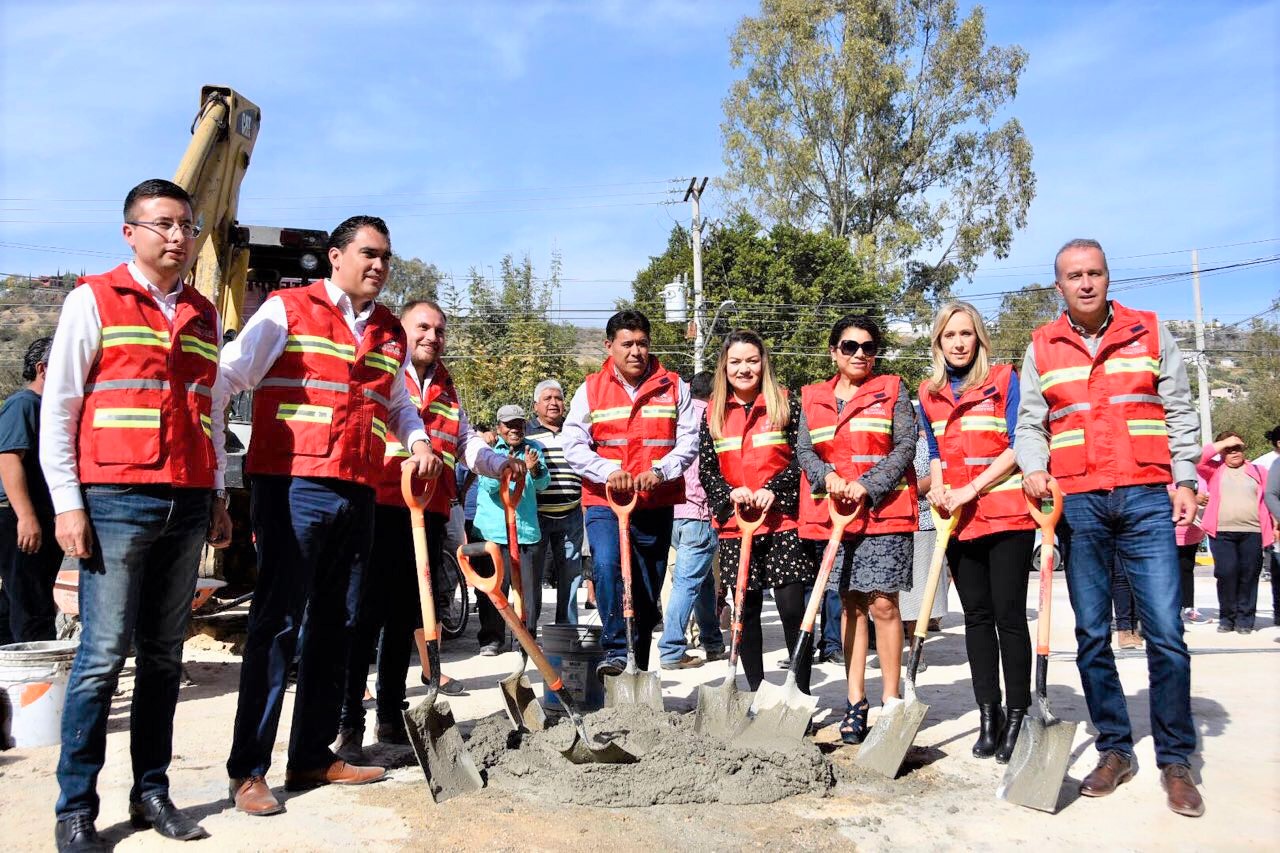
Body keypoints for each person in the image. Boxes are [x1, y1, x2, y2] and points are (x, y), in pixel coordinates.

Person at [217, 216, 452, 817]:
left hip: (357, 491)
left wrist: (419, 440)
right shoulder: (284, 311)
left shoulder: (387, 332)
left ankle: (312, 756)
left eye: (386, 258)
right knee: (278, 624)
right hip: (291, 484)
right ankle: (249, 770)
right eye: (368, 254)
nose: (378, 266)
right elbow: (225, 379)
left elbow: (396, 401)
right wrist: (218, 476)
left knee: (339, 625)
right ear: (336, 257)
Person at [41, 179, 233, 849]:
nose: (178, 236)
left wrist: (216, 494)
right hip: (114, 500)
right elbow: (60, 405)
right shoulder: (93, 299)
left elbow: (210, 409)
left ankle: (152, 790)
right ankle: (76, 807)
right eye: (162, 224)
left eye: (186, 225)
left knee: (161, 656)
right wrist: (68, 503)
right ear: (131, 232)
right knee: (99, 657)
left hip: (186, 501)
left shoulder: (205, 313)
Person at [1016, 238, 1204, 817]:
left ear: (1107, 276)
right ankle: (1116, 749)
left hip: (1147, 494)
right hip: (1080, 504)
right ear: (1060, 286)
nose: (1086, 283)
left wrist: (1186, 478)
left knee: (1166, 633)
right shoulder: (1042, 346)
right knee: (1092, 635)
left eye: (1094, 272)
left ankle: (1176, 759)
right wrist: (1034, 468)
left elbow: (1179, 410)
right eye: (1074, 275)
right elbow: (1031, 422)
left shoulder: (1149, 331)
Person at [334, 300, 513, 763]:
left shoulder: (448, 388)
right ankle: (348, 722)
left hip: (427, 513)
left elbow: (466, 441)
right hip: (381, 507)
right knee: (364, 616)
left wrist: (497, 464)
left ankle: (391, 714)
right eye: (423, 327)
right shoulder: (386, 374)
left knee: (406, 618)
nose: (433, 336)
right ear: (403, 331)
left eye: (439, 330)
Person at [919, 301, 1033, 762]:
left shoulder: (1004, 380)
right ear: (939, 342)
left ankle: (1020, 712)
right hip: (960, 522)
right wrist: (941, 489)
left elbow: (1018, 445)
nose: (959, 343)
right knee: (976, 619)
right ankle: (990, 714)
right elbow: (935, 451)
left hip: (1006, 514)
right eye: (950, 335)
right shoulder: (929, 393)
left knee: (1009, 617)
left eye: (966, 334)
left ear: (979, 339)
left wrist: (971, 488)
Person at [797, 315, 917, 745]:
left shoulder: (893, 390)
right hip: (835, 516)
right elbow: (805, 450)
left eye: (868, 347)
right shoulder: (812, 397)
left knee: (884, 604)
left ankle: (890, 700)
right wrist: (826, 477)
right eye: (849, 346)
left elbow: (905, 446)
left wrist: (867, 486)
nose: (859, 354)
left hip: (884, 512)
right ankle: (855, 701)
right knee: (850, 606)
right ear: (834, 352)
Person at [562, 310, 698, 679]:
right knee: (606, 565)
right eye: (627, 344)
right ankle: (615, 649)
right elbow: (572, 444)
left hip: (654, 500)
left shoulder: (674, 386)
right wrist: (609, 472)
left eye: (642, 343)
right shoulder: (589, 389)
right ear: (609, 346)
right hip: (606, 501)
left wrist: (661, 471)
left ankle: (637, 659)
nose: (636, 351)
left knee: (646, 589)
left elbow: (688, 438)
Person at [699, 332, 811, 685]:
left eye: (751, 360)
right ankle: (757, 689)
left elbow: (802, 458)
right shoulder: (713, 413)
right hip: (738, 525)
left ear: (764, 362)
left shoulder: (786, 405)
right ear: (724, 366)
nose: (744, 369)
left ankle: (799, 692)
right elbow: (707, 468)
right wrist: (730, 493)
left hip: (783, 522)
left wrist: (774, 490)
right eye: (735, 362)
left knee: (792, 609)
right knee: (744, 610)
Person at [656, 370, 724, 670]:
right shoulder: (713, 421)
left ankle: (712, 640)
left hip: (671, 513)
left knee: (703, 580)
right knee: (687, 582)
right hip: (699, 514)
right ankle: (671, 649)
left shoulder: (675, 420)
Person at [473, 404, 550, 654]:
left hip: (525, 530)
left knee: (527, 590)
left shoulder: (534, 449)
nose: (514, 429)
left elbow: (542, 485)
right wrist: (506, 466)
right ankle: (492, 639)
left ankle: (523, 639)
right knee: (495, 588)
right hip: (494, 530)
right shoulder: (490, 451)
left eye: (519, 424)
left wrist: (534, 468)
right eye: (509, 425)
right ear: (500, 428)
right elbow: (489, 486)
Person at [0, 337, 61, 643]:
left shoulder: (48, 410)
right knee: (31, 603)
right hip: (17, 518)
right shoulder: (24, 405)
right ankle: (39, 684)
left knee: (16, 600)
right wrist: (26, 517)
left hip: (34, 516)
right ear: (43, 369)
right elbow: (9, 458)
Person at [1197, 432, 1274, 634]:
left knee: (1249, 575)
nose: (1234, 453)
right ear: (1222, 453)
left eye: (1237, 448)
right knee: (1226, 573)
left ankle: (1245, 620)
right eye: (1229, 450)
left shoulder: (1259, 471)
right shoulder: (1214, 470)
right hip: (1221, 532)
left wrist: (1276, 525)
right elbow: (1198, 459)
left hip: (1253, 531)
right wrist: (1222, 442)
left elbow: (1271, 498)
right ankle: (1227, 618)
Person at [888, 425, 949, 674]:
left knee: (920, 599)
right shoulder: (885, 445)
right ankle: (891, 652)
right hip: (892, 524)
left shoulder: (923, 447)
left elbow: (934, 479)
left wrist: (910, 487)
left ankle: (916, 652)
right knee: (891, 599)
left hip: (922, 525)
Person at [525, 379, 586, 622]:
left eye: (558, 398)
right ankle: (528, 633)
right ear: (535, 405)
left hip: (571, 514)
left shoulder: (575, 432)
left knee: (571, 575)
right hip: (535, 516)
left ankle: (567, 631)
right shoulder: (526, 433)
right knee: (532, 577)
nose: (554, 403)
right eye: (547, 398)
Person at [1173, 476, 1209, 623]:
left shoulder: (1201, 474)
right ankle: (1169, 610)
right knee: (1166, 574)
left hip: (1193, 532)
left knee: (1187, 570)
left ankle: (1189, 607)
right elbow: (1164, 495)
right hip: (1170, 530)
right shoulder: (1168, 469)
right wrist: (1193, 498)